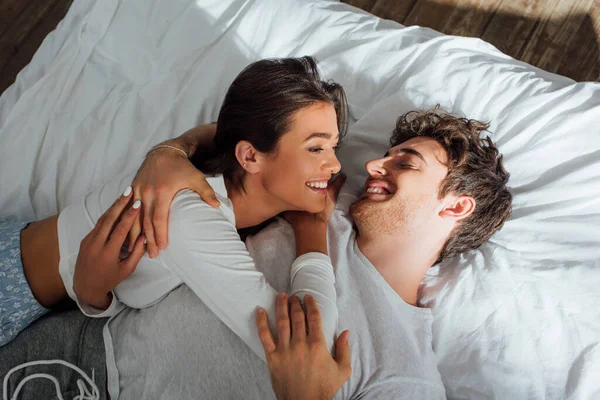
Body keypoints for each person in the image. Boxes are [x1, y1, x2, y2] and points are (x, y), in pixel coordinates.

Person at [1, 107, 512, 399]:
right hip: (69, 335)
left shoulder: (407, 373)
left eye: (407, 162)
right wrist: (168, 153)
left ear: (458, 205)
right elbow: (243, 136)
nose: (376, 164)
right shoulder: (314, 205)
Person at [0, 56, 349, 361]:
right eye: (316, 149)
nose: (334, 166)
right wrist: (312, 228)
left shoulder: (202, 166)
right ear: (250, 156)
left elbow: (226, 130)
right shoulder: (194, 215)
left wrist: (172, 148)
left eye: (333, 146)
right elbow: (305, 350)